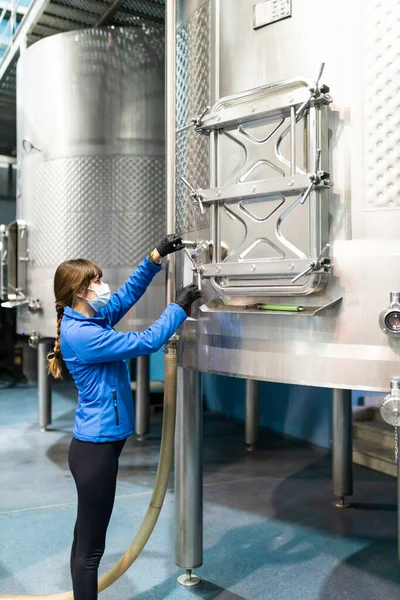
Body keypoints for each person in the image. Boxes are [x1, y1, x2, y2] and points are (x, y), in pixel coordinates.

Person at [47, 234, 200, 600]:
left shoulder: (91, 318)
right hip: (94, 451)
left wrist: (155, 256)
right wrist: (178, 307)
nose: (102, 286)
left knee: (84, 537)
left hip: (98, 446)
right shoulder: (82, 335)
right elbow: (145, 342)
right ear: (79, 291)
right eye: (95, 281)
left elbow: (126, 296)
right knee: (91, 551)